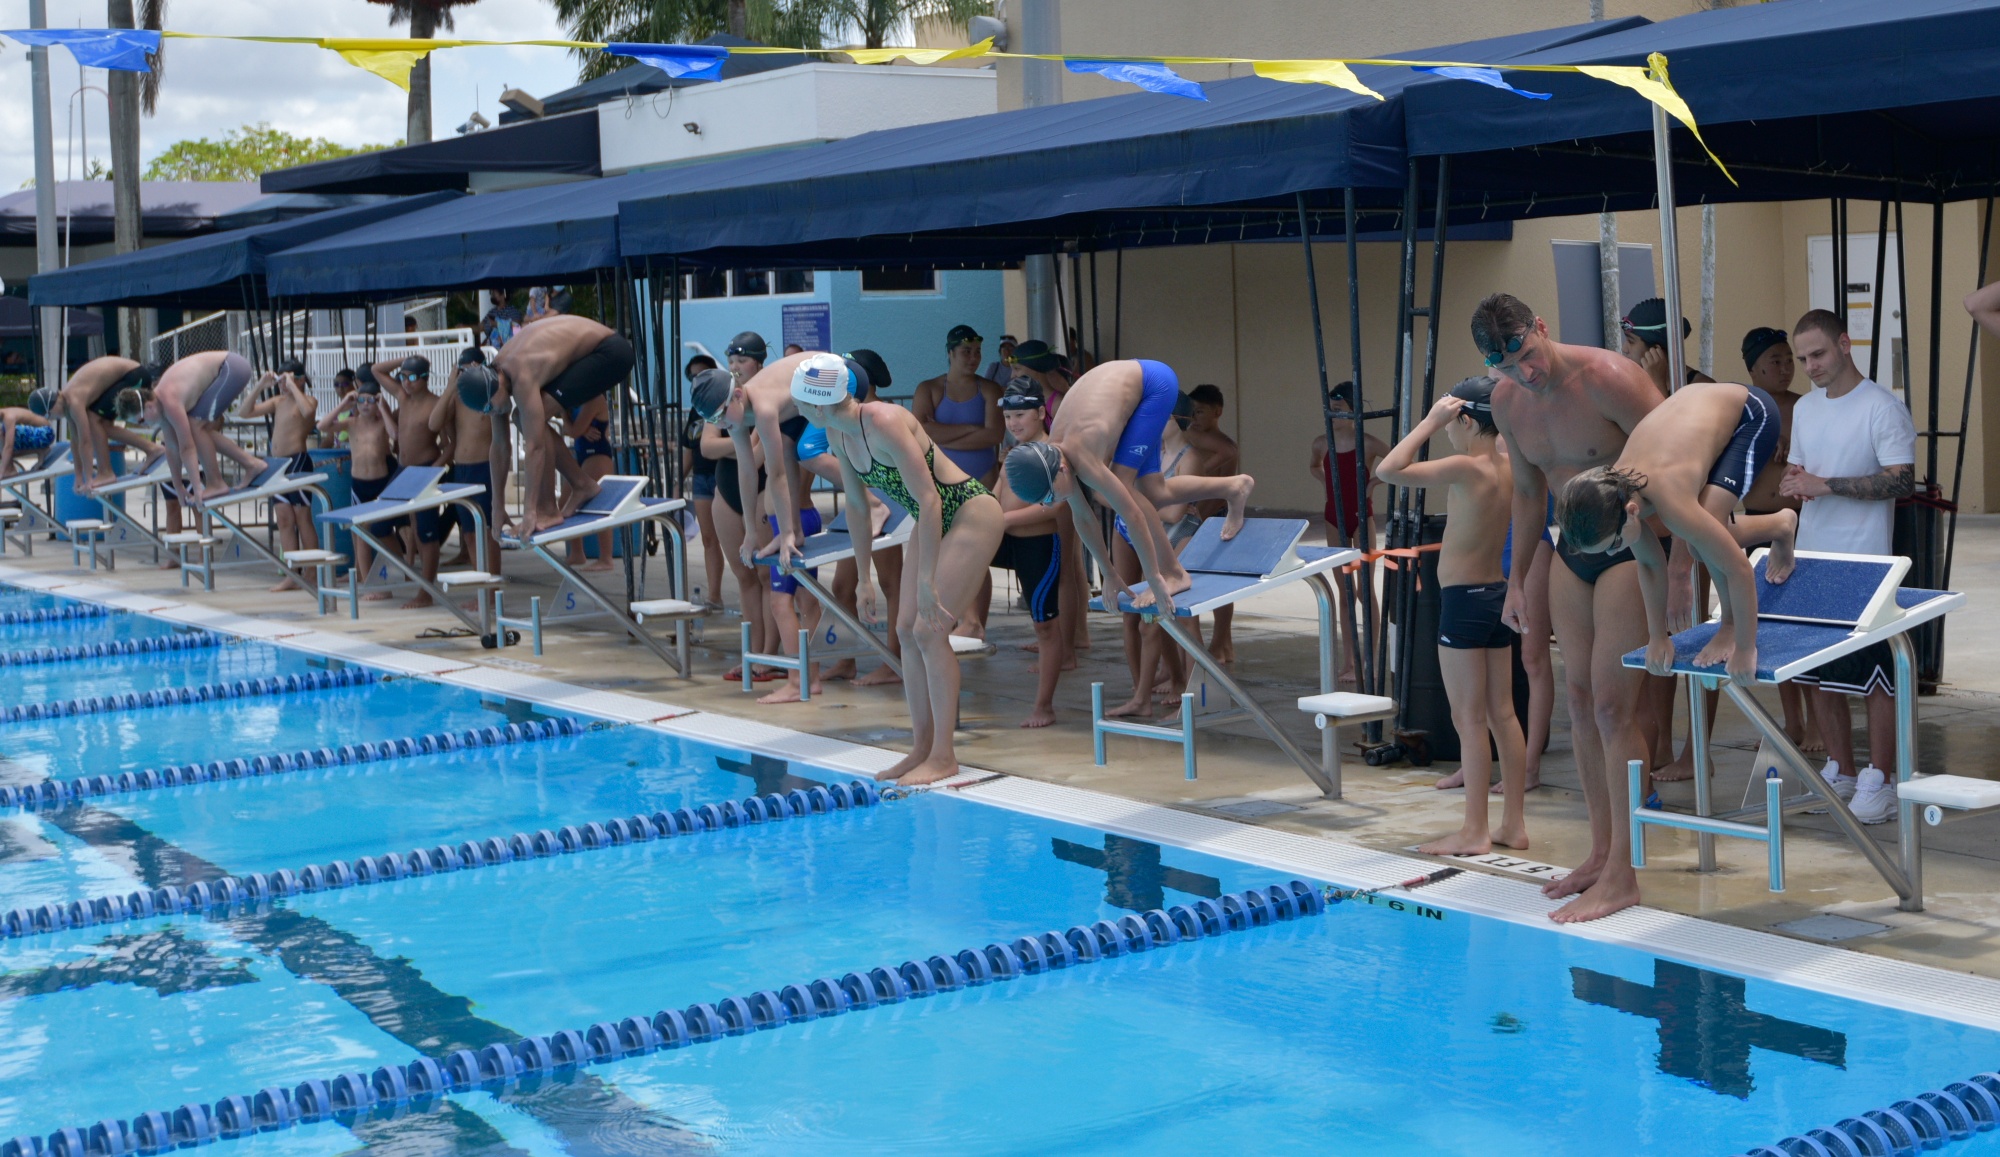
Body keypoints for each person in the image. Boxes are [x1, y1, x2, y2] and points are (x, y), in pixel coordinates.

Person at [1481, 292, 1664, 923]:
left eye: (1528, 355)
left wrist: (1683, 564)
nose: (1525, 372)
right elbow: (1529, 493)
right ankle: (1601, 854)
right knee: (1580, 703)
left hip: (1633, 544)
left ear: (1541, 327)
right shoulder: (1507, 402)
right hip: (1570, 548)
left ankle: (1624, 874)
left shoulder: (1610, 377)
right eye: (1507, 367)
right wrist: (1515, 581)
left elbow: (1679, 457)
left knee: (1614, 706)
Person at [794, 353, 1005, 784]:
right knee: (906, 630)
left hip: (968, 513)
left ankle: (944, 755)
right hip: (929, 520)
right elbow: (858, 507)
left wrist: (927, 580)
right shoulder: (837, 433)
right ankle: (921, 748)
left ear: (817, 403)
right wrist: (864, 578)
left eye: (798, 402)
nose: (795, 409)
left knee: (929, 631)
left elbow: (929, 498)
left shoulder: (885, 421)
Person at [1556, 380, 1800, 687]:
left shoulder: (1669, 500)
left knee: (1702, 542)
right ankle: (1780, 524)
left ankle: (1734, 615)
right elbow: (1649, 564)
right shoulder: (1617, 492)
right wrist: (1658, 636)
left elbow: (1739, 569)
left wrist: (1744, 646)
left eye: (1614, 544)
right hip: (1698, 412)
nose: (1613, 552)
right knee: (1704, 536)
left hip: (1750, 412)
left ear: (1632, 511)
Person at [1376, 380, 1530, 854]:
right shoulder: (1508, 466)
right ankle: (1513, 825)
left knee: (1468, 719)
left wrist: (1428, 422)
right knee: (1503, 714)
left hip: (1463, 603)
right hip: (1496, 596)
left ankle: (1474, 831)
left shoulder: (1467, 466)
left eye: (1449, 423)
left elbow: (1388, 469)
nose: (1446, 431)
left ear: (1464, 420)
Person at [1779, 309, 1918, 825]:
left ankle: (1880, 779)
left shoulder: (1882, 407)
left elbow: (1901, 480)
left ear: (1844, 344)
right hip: (1814, 556)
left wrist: (1826, 485)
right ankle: (1841, 769)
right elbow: (1802, 468)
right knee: (1820, 673)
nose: (1810, 366)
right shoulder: (1807, 409)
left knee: (1876, 674)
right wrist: (1794, 481)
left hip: (1866, 562)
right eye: (1803, 358)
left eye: (1817, 354)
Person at [1003, 359, 1254, 617]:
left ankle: (1174, 573)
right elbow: (1084, 517)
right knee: (1155, 492)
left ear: (1063, 469)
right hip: (1129, 387)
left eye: (1049, 495)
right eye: (1044, 501)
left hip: (1154, 385)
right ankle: (1235, 487)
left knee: (1126, 486)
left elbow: (1132, 514)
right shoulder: (1055, 457)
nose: (1050, 503)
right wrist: (1109, 573)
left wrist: (1154, 578)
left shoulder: (1082, 458)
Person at [1737, 326, 1818, 754]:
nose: (1786, 368)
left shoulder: (1806, 407)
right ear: (1753, 369)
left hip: (1799, 522)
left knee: (1804, 625)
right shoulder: (1743, 409)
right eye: (1776, 361)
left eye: (1790, 360)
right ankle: (1793, 722)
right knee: (1772, 624)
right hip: (1757, 524)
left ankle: (1818, 724)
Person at [480, 314, 635, 532]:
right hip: (590, 353)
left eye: (492, 406)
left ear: (496, 384)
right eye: (488, 409)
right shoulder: (492, 380)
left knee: (525, 420)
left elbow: (535, 447)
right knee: (522, 418)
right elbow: (499, 446)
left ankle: (548, 509)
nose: (493, 411)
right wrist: (496, 508)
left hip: (610, 353)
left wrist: (529, 512)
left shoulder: (521, 373)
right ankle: (582, 484)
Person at [915, 324, 1005, 637]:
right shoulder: (929, 389)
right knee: (943, 554)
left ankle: (975, 622)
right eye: (966, 351)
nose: (973, 358)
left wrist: (942, 434)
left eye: (977, 352)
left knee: (976, 553)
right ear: (950, 353)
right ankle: (955, 617)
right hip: (941, 485)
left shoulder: (990, 390)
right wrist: (972, 429)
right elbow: (921, 433)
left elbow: (994, 435)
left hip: (982, 480)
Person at [993, 381, 1068, 727]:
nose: (1013, 423)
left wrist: (1005, 519)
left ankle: (1044, 707)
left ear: (1040, 412)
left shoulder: (1054, 452)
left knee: (1045, 627)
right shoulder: (1013, 451)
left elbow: (1054, 505)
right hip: (1005, 539)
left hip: (1038, 544)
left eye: (1020, 415)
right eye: (1008, 416)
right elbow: (995, 493)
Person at [1309, 381, 1389, 682]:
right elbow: (1314, 466)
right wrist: (1325, 482)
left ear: (1354, 412)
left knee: (1364, 591)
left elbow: (1399, 460)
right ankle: (1349, 661)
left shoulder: (1367, 443)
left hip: (1361, 516)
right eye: (1330, 410)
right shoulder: (1321, 443)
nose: (1333, 415)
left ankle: (1371, 658)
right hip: (1334, 517)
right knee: (1344, 593)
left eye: (1339, 410)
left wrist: (1373, 483)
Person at [125, 350, 268, 505]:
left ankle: (216, 483)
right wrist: (178, 486)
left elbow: (186, 448)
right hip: (227, 368)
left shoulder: (169, 402)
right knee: (197, 427)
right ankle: (251, 464)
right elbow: (171, 448)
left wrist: (197, 488)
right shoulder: (161, 407)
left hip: (232, 368)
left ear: (149, 407)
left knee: (195, 426)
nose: (145, 425)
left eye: (141, 421)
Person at [317, 370, 400, 600]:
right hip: (359, 485)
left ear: (377, 402)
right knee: (361, 534)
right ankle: (369, 584)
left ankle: (393, 575)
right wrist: (344, 403)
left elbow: (395, 434)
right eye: (361, 400)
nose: (365, 405)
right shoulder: (351, 423)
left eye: (370, 401)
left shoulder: (382, 423)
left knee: (384, 534)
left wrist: (383, 407)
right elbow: (323, 426)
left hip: (381, 484)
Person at [240, 359, 322, 592]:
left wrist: (293, 385)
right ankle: (292, 574)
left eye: (287, 379)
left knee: (302, 517)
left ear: (300, 379)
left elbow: (308, 412)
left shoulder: (308, 400)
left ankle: (312, 572)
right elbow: (244, 412)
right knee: (284, 519)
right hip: (277, 466)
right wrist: (260, 385)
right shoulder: (278, 402)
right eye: (280, 380)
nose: (283, 385)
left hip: (298, 462)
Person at [376, 353, 449, 609]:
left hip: (425, 469)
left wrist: (434, 470)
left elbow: (450, 444)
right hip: (403, 469)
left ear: (426, 378)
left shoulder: (436, 404)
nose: (406, 382)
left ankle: (425, 592)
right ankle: (406, 571)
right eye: (403, 377)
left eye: (413, 377)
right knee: (378, 523)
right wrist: (405, 360)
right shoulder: (402, 397)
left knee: (426, 533)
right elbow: (377, 370)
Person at [1180, 384, 1240, 664]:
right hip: (1200, 514)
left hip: (1214, 515)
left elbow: (1227, 453)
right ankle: (1222, 643)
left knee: (1220, 584)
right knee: (1202, 581)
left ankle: (1221, 640)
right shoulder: (1195, 436)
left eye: (1201, 412)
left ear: (1217, 412)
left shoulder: (1217, 442)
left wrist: (1198, 472)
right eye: (1192, 412)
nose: (1195, 418)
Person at [429, 347, 501, 577]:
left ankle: (492, 587)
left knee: (487, 532)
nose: (464, 374)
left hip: (484, 468)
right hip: (461, 471)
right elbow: (433, 423)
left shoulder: (491, 392)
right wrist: (451, 386)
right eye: (461, 371)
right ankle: (481, 584)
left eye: (469, 370)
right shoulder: (458, 396)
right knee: (469, 534)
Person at [58, 355, 156, 493]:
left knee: (93, 419)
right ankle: (152, 449)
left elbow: (85, 442)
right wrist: (78, 477)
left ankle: (106, 472)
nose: (55, 418)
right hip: (130, 374)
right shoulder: (65, 401)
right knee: (102, 425)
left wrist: (88, 478)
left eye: (52, 415)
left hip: (133, 375)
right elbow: (75, 441)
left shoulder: (74, 401)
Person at [680, 354, 725, 611]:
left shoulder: (724, 403)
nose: (697, 380)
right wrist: (678, 481)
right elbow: (688, 448)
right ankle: (714, 595)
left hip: (722, 475)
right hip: (701, 478)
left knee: (735, 537)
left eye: (702, 375)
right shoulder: (696, 410)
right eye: (693, 377)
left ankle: (751, 588)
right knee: (709, 539)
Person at [565, 384, 617, 573]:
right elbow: (572, 430)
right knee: (565, 502)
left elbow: (572, 431)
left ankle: (606, 558)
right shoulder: (577, 399)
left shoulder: (594, 398)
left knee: (599, 507)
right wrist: (580, 429)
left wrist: (570, 420)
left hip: (598, 455)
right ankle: (577, 552)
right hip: (581, 452)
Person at [1621, 297, 1716, 396]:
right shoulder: (1633, 384)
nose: (1624, 349)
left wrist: (1658, 384)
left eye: (1631, 341)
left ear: (1655, 350)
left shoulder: (1702, 389)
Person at [0, 406, 56, 478]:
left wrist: (1, 473)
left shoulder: (9, 417)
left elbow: (9, 447)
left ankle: (8, 470)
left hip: (45, 434)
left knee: (6, 443)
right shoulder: (5, 414)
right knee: (3, 443)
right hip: (43, 434)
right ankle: (40, 451)